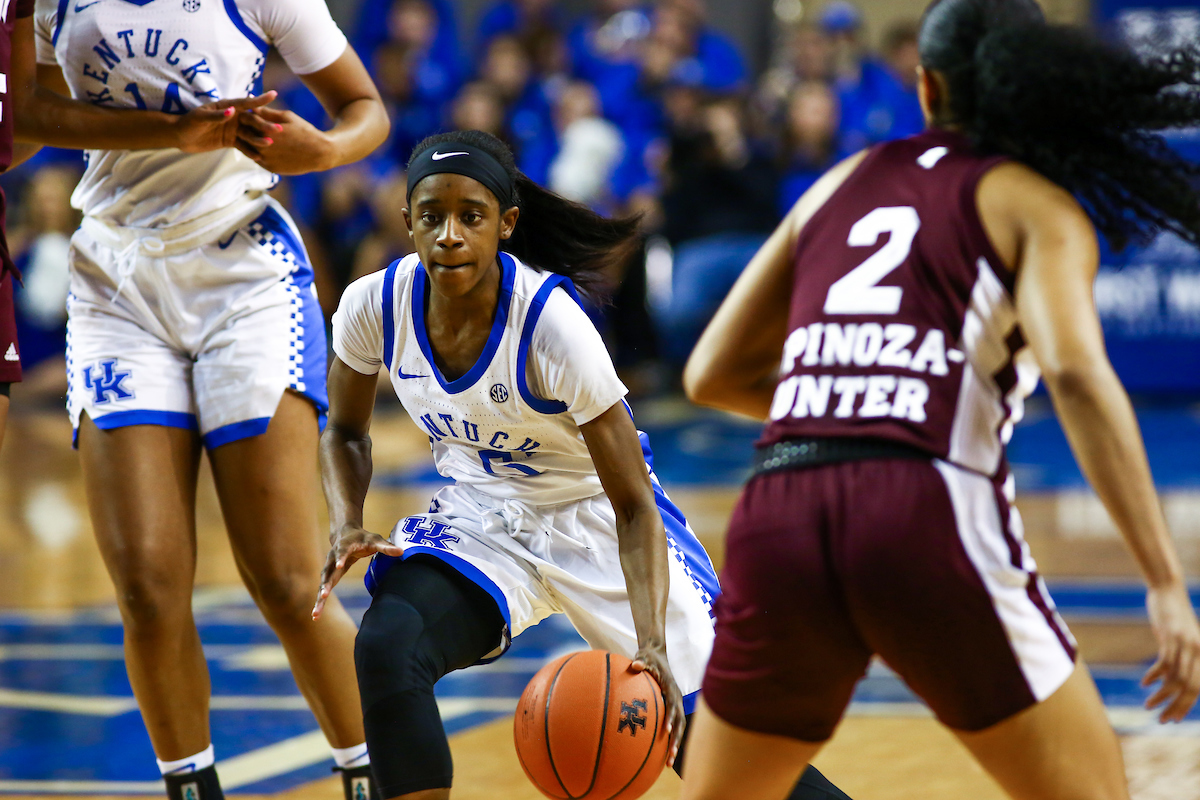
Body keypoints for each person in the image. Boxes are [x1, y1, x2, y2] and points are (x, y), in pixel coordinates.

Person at [678, 0, 1200, 798]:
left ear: (925, 87)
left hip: (778, 506)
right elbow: (1076, 374)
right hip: (924, 508)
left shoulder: (840, 183)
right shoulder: (1034, 204)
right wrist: (1164, 580)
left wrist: (842, 408)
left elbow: (709, 371)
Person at [313, 129, 852, 800]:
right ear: (408, 222)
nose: (450, 234)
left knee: (721, 757)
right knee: (388, 646)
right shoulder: (374, 305)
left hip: (598, 516)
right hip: (486, 517)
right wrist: (346, 522)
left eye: (470, 216)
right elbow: (343, 432)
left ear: (505, 224)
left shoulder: (550, 323)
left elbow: (632, 503)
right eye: (432, 216)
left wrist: (651, 642)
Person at [32, 0, 391, 797]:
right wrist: (170, 131)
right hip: (114, 284)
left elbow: (366, 110)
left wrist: (326, 148)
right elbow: (21, 122)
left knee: (287, 579)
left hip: (242, 272)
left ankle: (378, 779)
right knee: (147, 590)